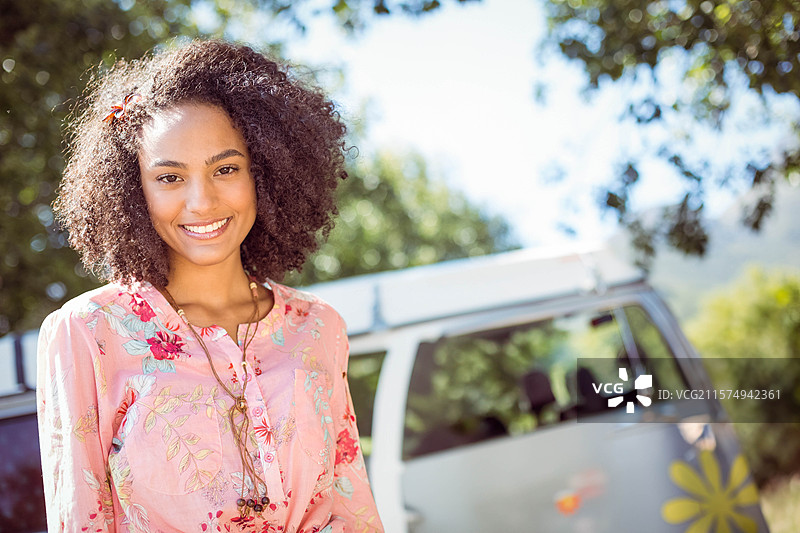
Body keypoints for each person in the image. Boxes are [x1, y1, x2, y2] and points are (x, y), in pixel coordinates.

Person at [37, 39, 384, 533]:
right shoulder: (88, 332)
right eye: (170, 177)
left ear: (264, 171)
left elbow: (351, 508)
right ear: (134, 191)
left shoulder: (318, 328)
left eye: (226, 169)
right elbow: (81, 520)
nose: (201, 202)